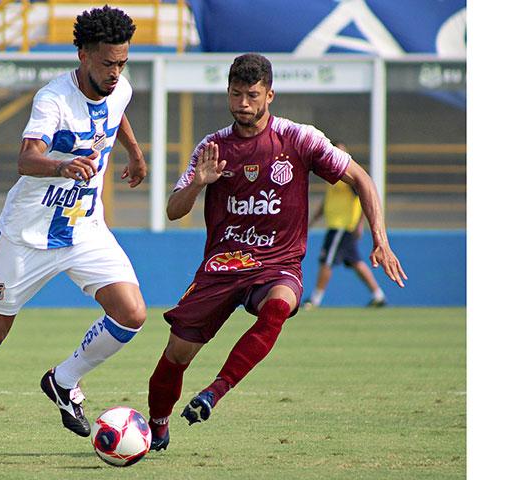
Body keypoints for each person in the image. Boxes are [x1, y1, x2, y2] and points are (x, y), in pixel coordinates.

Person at [146, 53, 407, 451]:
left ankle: (214, 392)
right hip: (222, 264)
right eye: (236, 95)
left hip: (276, 263)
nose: (243, 104)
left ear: (270, 94)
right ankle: (158, 425)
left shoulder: (299, 139)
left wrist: (380, 239)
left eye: (252, 95)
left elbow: (361, 178)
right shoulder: (213, 146)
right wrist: (198, 183)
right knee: (177, 354)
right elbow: (173, 209)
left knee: (280, 306)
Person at [0, 6, 148, 462]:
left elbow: (118, 108)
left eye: (122, 62)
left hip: (85, 229)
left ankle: (63, 380)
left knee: (131, 313)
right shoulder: (53, 99)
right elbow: (27, 158)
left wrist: (134, 152)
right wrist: (62, 165)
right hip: (28, 236)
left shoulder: (119, 86)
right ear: (83, 54)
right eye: (107, 62)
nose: (115, 72)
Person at [303, 141, 386, 309]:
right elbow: (328, 201)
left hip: (343, 225)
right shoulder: (332, 175)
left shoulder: (348, 175)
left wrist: (360, 223)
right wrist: (313, 219)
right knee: (355, 262)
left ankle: (315, 299)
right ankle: (378, 296)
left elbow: (365, 196)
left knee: (327, 260)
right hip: (335, 224)